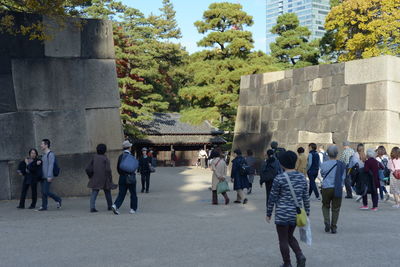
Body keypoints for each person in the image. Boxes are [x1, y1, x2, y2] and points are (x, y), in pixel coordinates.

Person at [266, 151, 309, 267]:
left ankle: (287, 263)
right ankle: (300, 256)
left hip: (282, 214)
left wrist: (268, 212)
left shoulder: (279, 178)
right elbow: (306, 197)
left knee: (283, 239)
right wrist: (307, 212)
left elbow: (272, 197)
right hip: (296, 213)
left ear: (282, 164)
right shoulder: (302, 178)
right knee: (289, 236)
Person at [320, 145, 346, 234]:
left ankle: (327, 221)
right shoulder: (341, 164)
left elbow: (322, 175)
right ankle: (333, 226)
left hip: (326, 187)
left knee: (325, 205)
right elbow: (343, 177)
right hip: (337, 187)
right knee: (336, 208)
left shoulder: (324, 164)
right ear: (337, 154)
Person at [85, 144, 115, 212]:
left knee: (94, 193)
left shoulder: (94, 157)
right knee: (107, 192)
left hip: (95, 177)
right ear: (104, 150)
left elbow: (88, 168)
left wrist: (90, 175)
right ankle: (110, 206)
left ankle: (92, 207)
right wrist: (110, 178)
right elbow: (108, 170)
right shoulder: (105, 158)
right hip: (104, 178)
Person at [111, 141, 138, 215]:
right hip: (130, 177)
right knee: (133, 193)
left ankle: (115, 205)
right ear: (129, 148)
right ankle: (133, 209)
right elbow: (133, 168)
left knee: (121, 193)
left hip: (122, 177)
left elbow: (118, 168)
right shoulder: (131, 156)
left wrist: (122, 174)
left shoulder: (120, 156)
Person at [37, 139, 62, 211]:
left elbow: (51, 165)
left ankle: (58, 199)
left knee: (45, 191)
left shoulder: (50, 154)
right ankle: (44, 206)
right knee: (43, 192)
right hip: (42, 176)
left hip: (47, 176)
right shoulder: (44, 155)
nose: (41, 145)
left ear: (46, 145)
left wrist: (49, 176)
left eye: (42, 144)